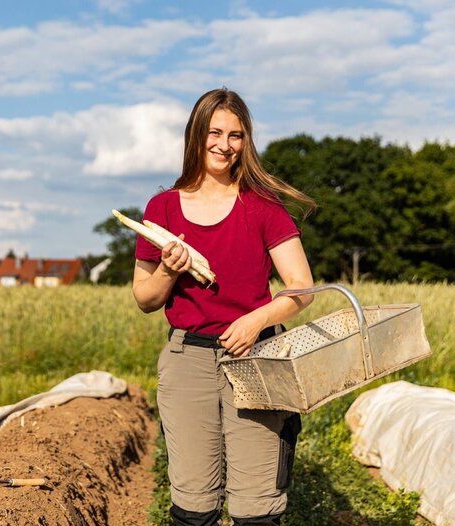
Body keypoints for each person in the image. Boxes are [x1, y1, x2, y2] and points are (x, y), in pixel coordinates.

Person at [132, 88, 316, 526]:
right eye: (214, 132)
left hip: (255, 358)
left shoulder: (262, 207)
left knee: (257, 508)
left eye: (236, 135)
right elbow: (145, 298)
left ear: (245, 141)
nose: (224, 144)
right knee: (193, 506)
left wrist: (256, 320)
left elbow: (301, 288)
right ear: (196, 136)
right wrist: (168, 271)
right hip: (187, 360)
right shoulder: (162, 209)